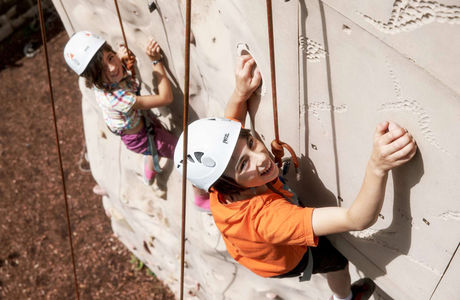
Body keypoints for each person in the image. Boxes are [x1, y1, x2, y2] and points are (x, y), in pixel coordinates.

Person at [174, 55, 417, 299]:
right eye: (244, 163)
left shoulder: (220, 176)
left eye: (250, 142)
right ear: (225, 186)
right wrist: (378, 166)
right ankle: (344, 298)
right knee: (336, 262)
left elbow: (232, 124)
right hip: (283, 260)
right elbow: (357, 219)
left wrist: (239, 93)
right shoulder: (268, 219)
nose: (260, 157)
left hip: (249, 243)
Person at [64, 31, 209, 210]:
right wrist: (156, 61)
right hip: (139, 136)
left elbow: (113, 69)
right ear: (94, 78)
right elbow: (165, 98)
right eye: (102, 70)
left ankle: (149, 171)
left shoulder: (102, 82)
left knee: (152, 148)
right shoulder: (116, 98)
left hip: (138, 124)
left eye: (110, 58)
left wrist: (121, 57)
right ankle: (201, 199)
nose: (111, 68)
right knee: (183, 155)